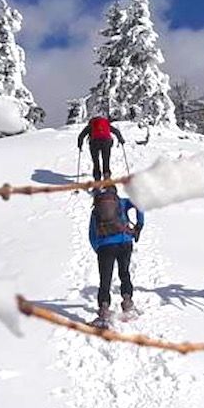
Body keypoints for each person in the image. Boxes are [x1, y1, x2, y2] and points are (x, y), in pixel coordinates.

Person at [87, 185, 143, 322]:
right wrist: (139, 225)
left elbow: (92, 234)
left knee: (105, 280)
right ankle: (128, 304)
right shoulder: (123, 202)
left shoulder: (96, 210)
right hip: (125, 242)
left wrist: (99, 249)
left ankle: (104, 312)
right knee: (124, 273)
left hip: (105, 246)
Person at [77, 114, 126, 179]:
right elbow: (116, 131)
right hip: (106, 142)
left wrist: (80, 145)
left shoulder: (91, 124)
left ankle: (97, 178)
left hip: (94, 143)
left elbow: (81, 135)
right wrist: (121, 140)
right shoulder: (106, 123)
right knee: (106, 160)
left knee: (96, 161)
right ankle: (107, 177)